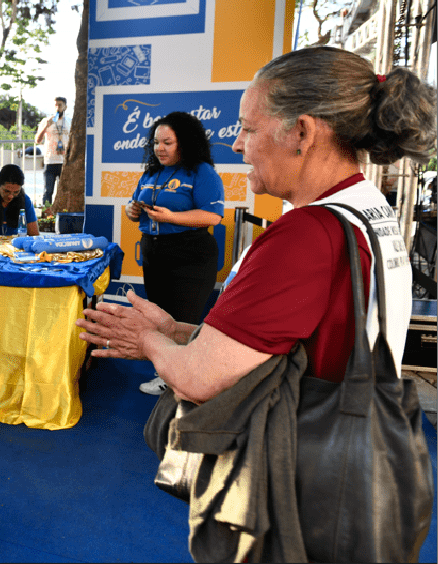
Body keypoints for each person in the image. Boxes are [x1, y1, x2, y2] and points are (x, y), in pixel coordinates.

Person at [76, 47, 435, 557]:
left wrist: (149, 340)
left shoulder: (306, 235)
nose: (238, 144)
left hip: (298, 483)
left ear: (303, 132)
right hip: (360, 463)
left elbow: (199, 378)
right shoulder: (366, 208)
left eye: (248, 128)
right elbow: (290, 340)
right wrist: (180, 331)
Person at [124, 111, 224, 394]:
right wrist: (132, 211)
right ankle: (168, 374)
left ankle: (183, 382)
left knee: (183, 319)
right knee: (160, 316)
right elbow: (137, 207)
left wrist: (172, 218)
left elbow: (213, 216)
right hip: (155, 252)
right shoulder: (151, 172)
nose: (160, 148)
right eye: (156, 142)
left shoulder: (202, 172)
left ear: (185, 143)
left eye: (167, 142)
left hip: (190, 254)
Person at [34, 96, 70, 205]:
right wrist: (46, 126)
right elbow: (37, 140)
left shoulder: (69, 121)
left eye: (60, 105)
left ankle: (62, 213)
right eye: (55, 105)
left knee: (65, 191)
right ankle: (46, 215)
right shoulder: (46, 121)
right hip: (50, 161)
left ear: (65, 107)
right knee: (48, 190)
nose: (57, 107)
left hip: (64, 161)